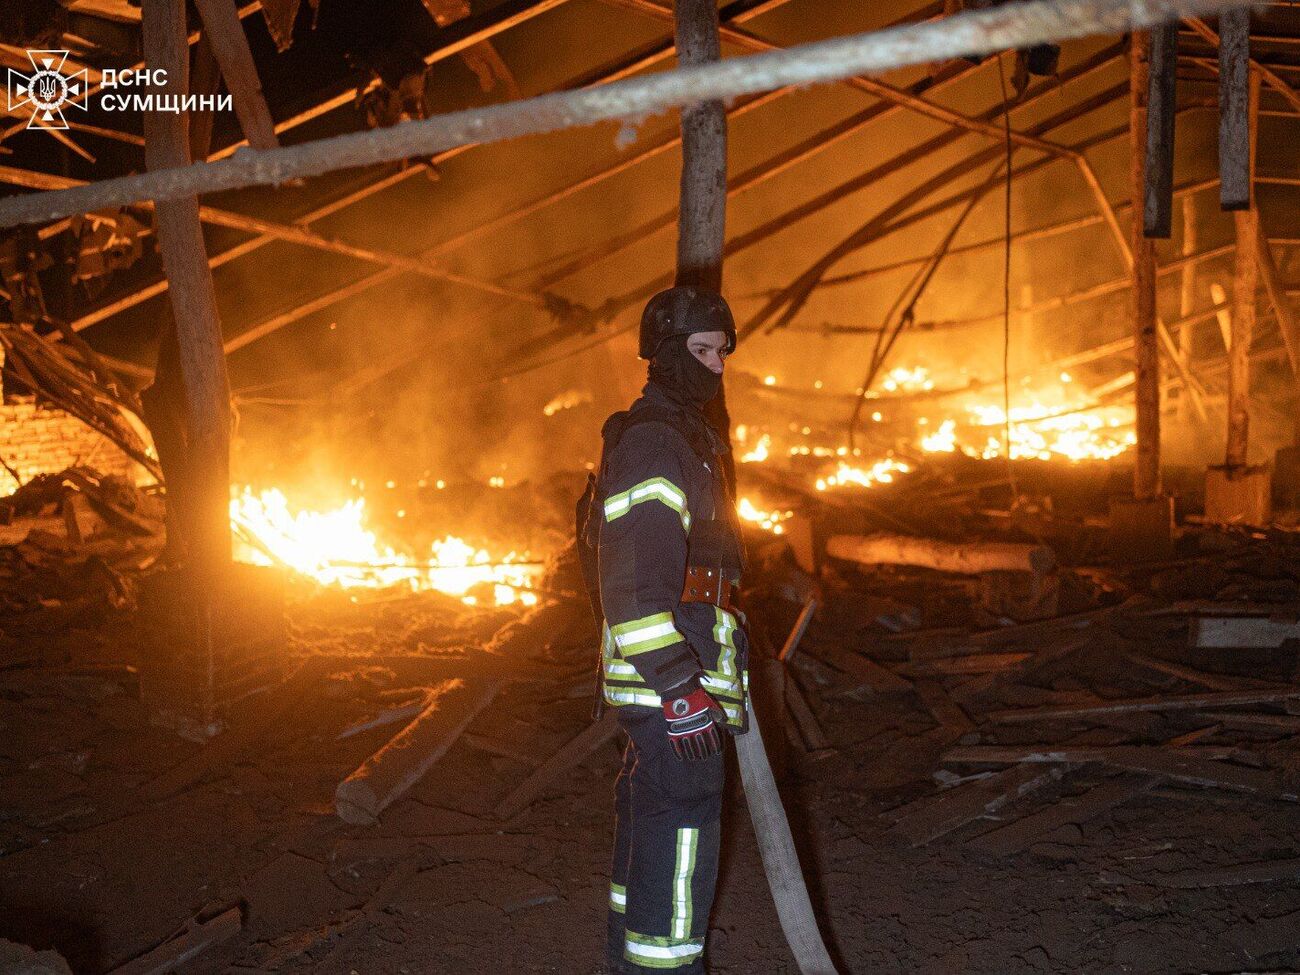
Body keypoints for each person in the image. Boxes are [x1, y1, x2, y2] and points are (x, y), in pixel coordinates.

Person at [586, 285, 749, 974]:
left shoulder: (684, 439)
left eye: (722, 353)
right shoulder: (656, 443)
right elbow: (631, 580)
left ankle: (626, 960)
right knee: (683, 829)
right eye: (702, 350)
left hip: (676, 672)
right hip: (669, 680)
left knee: (652, 815)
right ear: (664, 353)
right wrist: (681, 689)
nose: (716, 366)